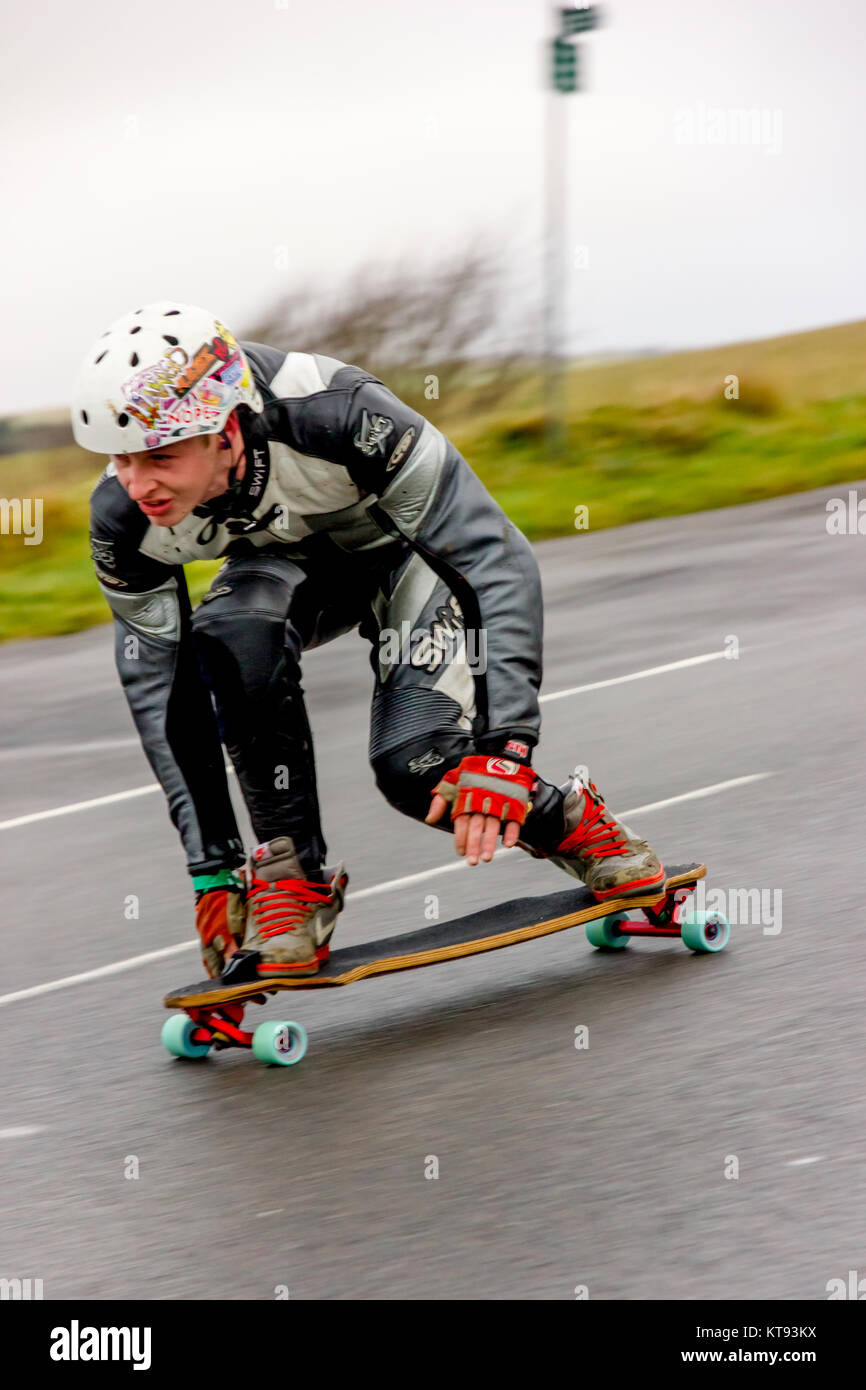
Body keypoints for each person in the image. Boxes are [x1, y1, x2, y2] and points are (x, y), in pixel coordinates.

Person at [72, 301, 663, 981]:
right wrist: (211, 864)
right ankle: (292, 877)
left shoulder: (340, 413)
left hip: (408, 557)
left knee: (417, 769)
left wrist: (506, 748)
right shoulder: (122, 518)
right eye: (120, 458)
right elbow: (160, 686)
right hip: (291, 573)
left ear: (228, 431)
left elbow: (494, 560)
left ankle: (572, 821)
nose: (137, 482)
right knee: (228, 635)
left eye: (161, 457)